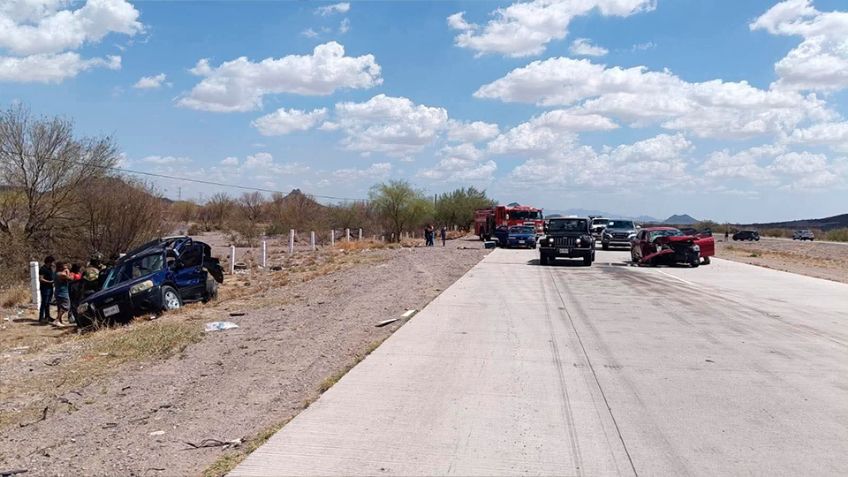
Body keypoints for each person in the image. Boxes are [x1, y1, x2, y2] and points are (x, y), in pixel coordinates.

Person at [53, 262, 72, 326]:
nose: (65, 267)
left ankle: (60, 321)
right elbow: (70, 278)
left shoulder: (56, 273)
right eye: (64, 266)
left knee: (60, 307)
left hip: (58, 291)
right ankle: (57, 320)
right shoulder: (61, 274)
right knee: (66, 306)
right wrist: (68, 271)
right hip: (63, 292)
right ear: (60, 267)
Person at [38, 256, 56, 323]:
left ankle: (47, 316)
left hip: (50, 287)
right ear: (49, 262)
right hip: (45, 288)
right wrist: (50, 282)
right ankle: (41, 317)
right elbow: (41, 279)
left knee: (48, 303)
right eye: (52, 262)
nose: (53, 263)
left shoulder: (50, 269)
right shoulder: (42, 269)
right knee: (44, 302)